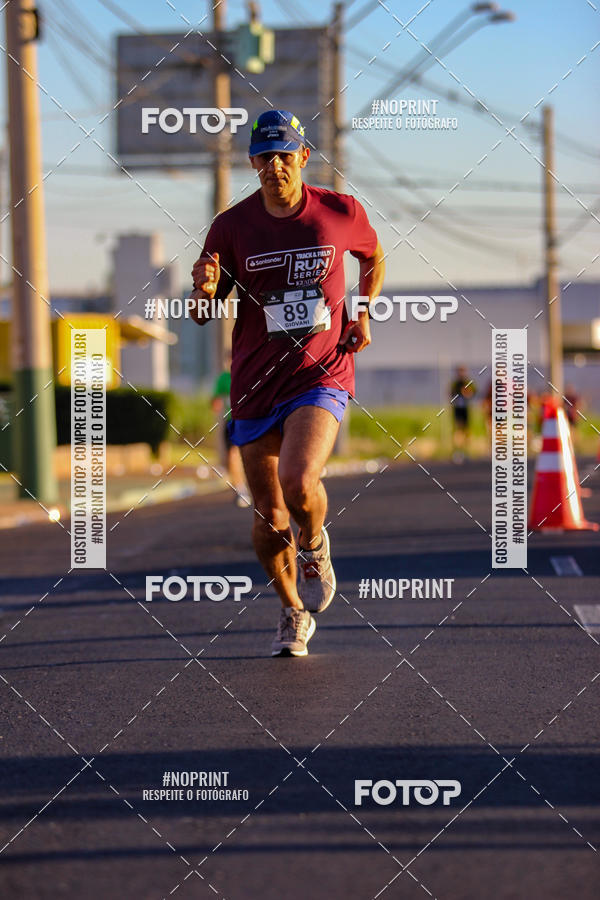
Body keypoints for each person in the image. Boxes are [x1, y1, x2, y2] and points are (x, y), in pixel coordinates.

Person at [190, 109, 384, 657]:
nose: (275, 165)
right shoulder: (231, 227)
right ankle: (292, 611)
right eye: (264, 156)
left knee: (300, 482)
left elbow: (373, 256)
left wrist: (362, 313)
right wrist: (203, 293)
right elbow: (207, 302)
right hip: (255, 383)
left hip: (319, 371)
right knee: (268, 518)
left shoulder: (339, 212)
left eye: (285, 154)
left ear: (303, 155)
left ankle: (316, 543)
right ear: (252, 162)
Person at [211, 359, 251, 507]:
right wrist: (217, 403)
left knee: (251, 455)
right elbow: (215, 400)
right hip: (232, 421)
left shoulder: (248, 373)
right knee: (233, 455)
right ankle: (241, 491)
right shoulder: (224, 378)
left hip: (250, 419)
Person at [449, 365, 476, 462]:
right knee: (458, 430)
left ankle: (466, 451)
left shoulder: (468, 382)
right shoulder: (455, 384)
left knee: (467, 430)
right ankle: (458, 452)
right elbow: (450, 394)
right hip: (457, 408)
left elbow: (473, 392)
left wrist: (468, 392)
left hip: (466, 408)